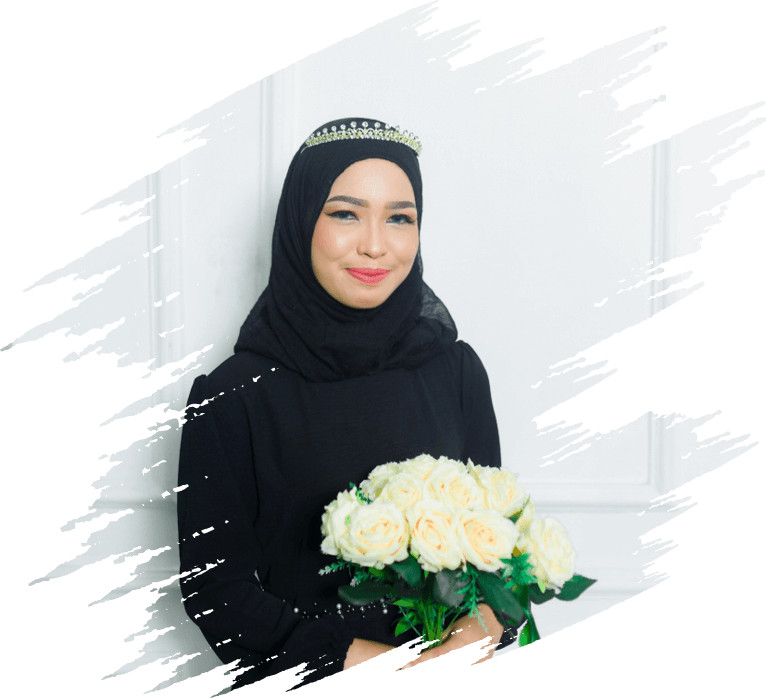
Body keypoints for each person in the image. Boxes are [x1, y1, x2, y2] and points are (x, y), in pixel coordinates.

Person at [177, 118, 520, 691]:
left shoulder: (456, 371)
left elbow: (499, 552)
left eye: (400, 218)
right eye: (345, 214)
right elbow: (217, 591)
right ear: (300, 222)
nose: (375, 245)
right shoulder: (233, 395)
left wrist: (472, 636)